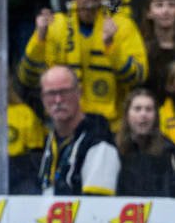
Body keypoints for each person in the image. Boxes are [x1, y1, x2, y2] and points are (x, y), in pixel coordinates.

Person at [20, 0, 148, 131]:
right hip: (62, 124)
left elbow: (138, 77)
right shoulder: (54, 25)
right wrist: (40, 39)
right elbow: (27, 77)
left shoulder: (123, 25)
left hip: (110, 126)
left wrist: (112, 48)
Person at [36, 60, 122, 193]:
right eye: (51, 93)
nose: (58, 100)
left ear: (79, 92)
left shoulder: (100, 144)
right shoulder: (49, 140)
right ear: (42, 98)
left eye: (64, 92)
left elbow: (97, 204)